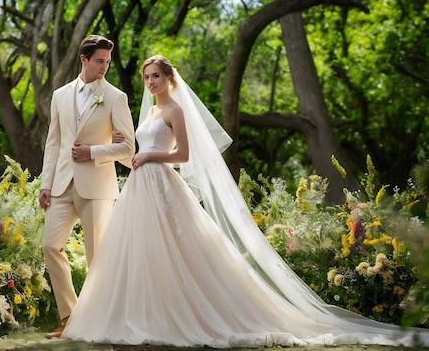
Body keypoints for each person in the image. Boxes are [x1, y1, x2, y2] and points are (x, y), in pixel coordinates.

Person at [59, 55, 429, 348]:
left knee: (180, 249)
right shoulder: (152, 111)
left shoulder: (174, 111)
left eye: (155, 75)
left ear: (169, 79)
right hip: (140, 186)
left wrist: (151, 156)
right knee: (138, 251)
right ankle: (138, 313)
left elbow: (184, 155)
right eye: (146, 77)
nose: (150, 82)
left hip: (160, 182)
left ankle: (186, 313)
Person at [39, 35, 135, 339]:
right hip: (61, 184)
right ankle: (69, 316)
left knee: (97, 256)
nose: (105, 66)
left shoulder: (115, 97)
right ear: (84, 59)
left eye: (107, 61)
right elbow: (54, 143)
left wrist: (93, 151)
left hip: (97, 185)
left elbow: (129, 149)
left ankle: (98, 321)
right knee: (50, 245)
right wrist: (46, 182)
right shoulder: (60, 95)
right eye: (99, 61)